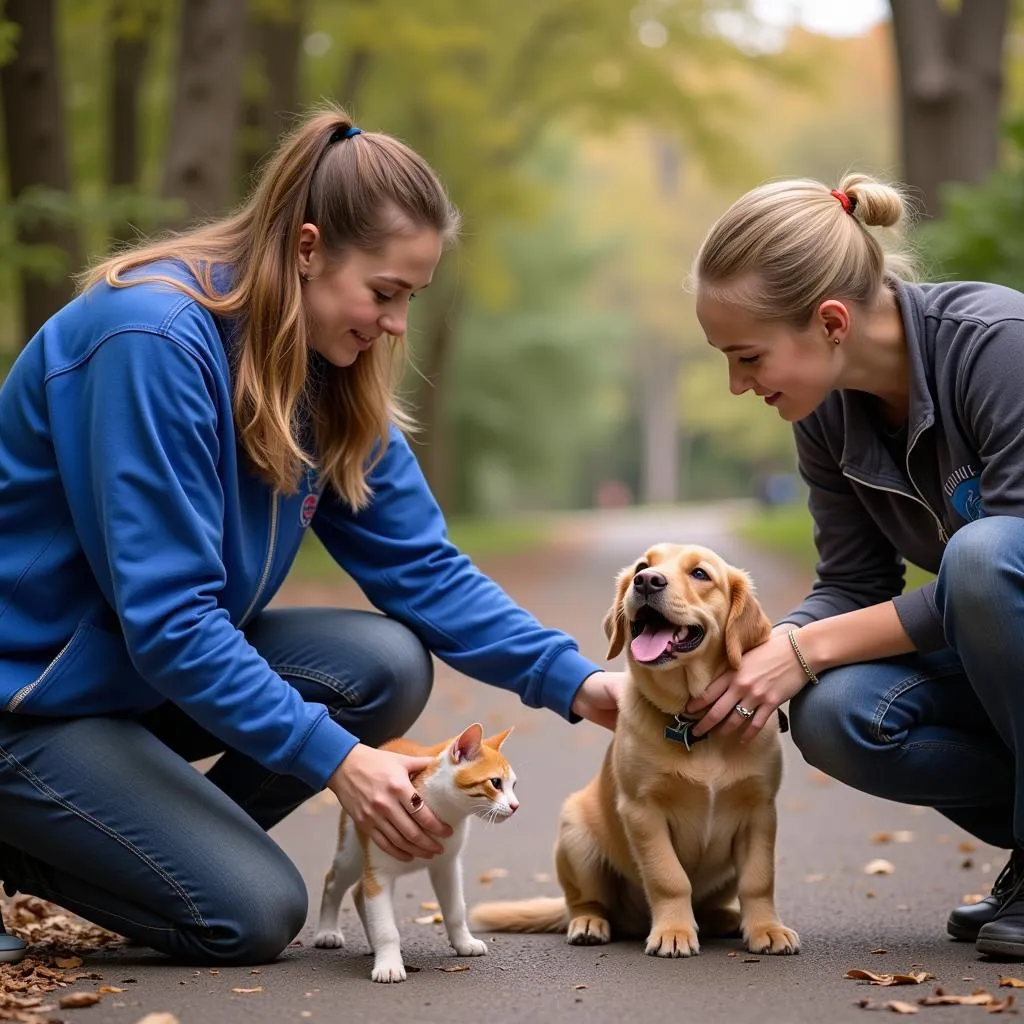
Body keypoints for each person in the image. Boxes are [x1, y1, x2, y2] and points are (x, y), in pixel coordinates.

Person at [0, 107, 622, 966]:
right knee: (253, 912)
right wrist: (336, 759)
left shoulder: (324, 365)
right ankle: (63, 839)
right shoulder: (151, 338)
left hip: (128, 689)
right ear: (306, 248)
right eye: (385, 292)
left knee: (385, 664)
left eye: (412, 297)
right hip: (28, 701)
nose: (396, 323)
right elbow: (172, 622)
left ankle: (139, 841)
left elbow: (426, 571)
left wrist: (582, 683)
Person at [683, 172, 1024, 960]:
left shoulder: (997, 346)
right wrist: (761, 659)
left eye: (747, 356)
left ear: (831, 320)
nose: (737, 385)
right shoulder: (826, 411)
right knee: (836, 715)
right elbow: (853, 584)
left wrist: (809, 647)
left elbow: (1001, 570)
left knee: (979, 555)